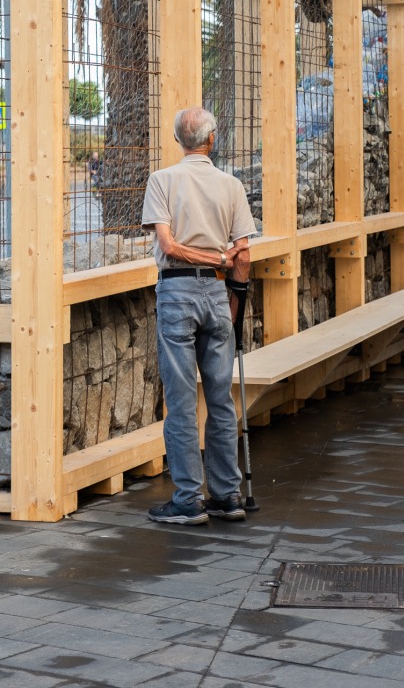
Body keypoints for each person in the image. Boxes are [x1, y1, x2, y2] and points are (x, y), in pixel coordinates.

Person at [141, 106, 256, 525]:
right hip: (216, 291)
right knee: (221, 399)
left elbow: (168, 247)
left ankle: (189, 499)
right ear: (212, 140)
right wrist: (234, 303)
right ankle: (228, 496)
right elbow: (242, 255)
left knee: (182, 399)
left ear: (179, 140)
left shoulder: (162, 181)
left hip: (176, 291)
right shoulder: (232, 186)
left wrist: (211, 260)